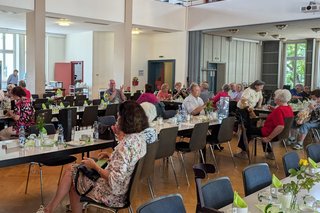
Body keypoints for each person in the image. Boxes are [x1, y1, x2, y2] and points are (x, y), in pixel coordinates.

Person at [38, 101, 157, 213]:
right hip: (125, 190)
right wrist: (111, 156)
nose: (117, 119)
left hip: (113, 194)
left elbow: (114, 181)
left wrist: (95, 167)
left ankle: (49, 209)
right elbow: (127, 163)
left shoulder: (126, 145)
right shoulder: (139, 139)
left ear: (126, 120)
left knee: (72, 175)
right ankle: (51, 208)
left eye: (119, 116)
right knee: (73, 173)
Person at [235, 89, 294, 159]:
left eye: (275, 96)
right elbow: (282, 117)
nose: (274, 97)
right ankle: (270, 152)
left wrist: (269, 138)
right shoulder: (288, 108)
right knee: (257, 129)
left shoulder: (279, 110)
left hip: (270, 132)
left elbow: (280, 126)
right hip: (282, 134)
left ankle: (243, 153)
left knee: (247, 131)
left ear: (279, 99)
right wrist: (273, 110)